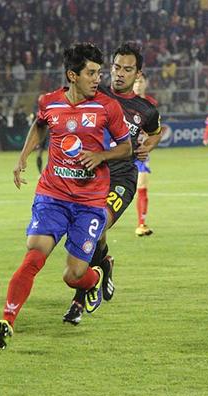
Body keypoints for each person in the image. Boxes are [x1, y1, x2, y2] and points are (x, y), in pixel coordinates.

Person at [0, 42, 132, 349]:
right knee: (34, 254)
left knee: (73, 276)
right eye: (91, 73)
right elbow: (39, 126)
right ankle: (7, 319)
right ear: (73, 75)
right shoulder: (50, 102)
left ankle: (94, 278)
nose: (98, 79)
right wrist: (22, 158)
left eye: (99, 72)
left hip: (90, 201)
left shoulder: (107, 107)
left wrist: (101, 155)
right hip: (53, 194)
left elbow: (126, 147)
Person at [62, 42, 162, 326]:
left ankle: (78, 302)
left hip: (121, 179)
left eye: (127, 69)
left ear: (138, 74)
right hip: (90, 176)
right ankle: (104, 263)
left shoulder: (145, 109)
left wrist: (148, 146)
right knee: (93, 233)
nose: (119, 73)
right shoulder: (95, 92)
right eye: (116, 67)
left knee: (91, 230)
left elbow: (156, 132)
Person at [132, 72, 158, 237]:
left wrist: (147, 142)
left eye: (141, 81)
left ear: (145, 83)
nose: (138, 84)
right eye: (136, 81)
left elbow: (155, 128)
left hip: (141, 152)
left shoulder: (151, 103)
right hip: (123, 151)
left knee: (142, 186)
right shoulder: (123, 102)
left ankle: (141, 224)